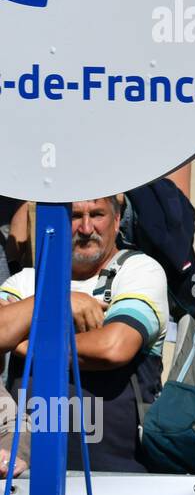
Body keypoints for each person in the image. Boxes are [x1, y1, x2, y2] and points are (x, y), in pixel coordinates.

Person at [0, 198, 168, 472]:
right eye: (75, 216)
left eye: (97, 214)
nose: (87, 227)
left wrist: (24, 340)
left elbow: (114, 347)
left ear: (116, 221)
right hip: (26, 474)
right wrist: (59, 300)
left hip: (119, 480)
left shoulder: (139, 270)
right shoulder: (26, 280)